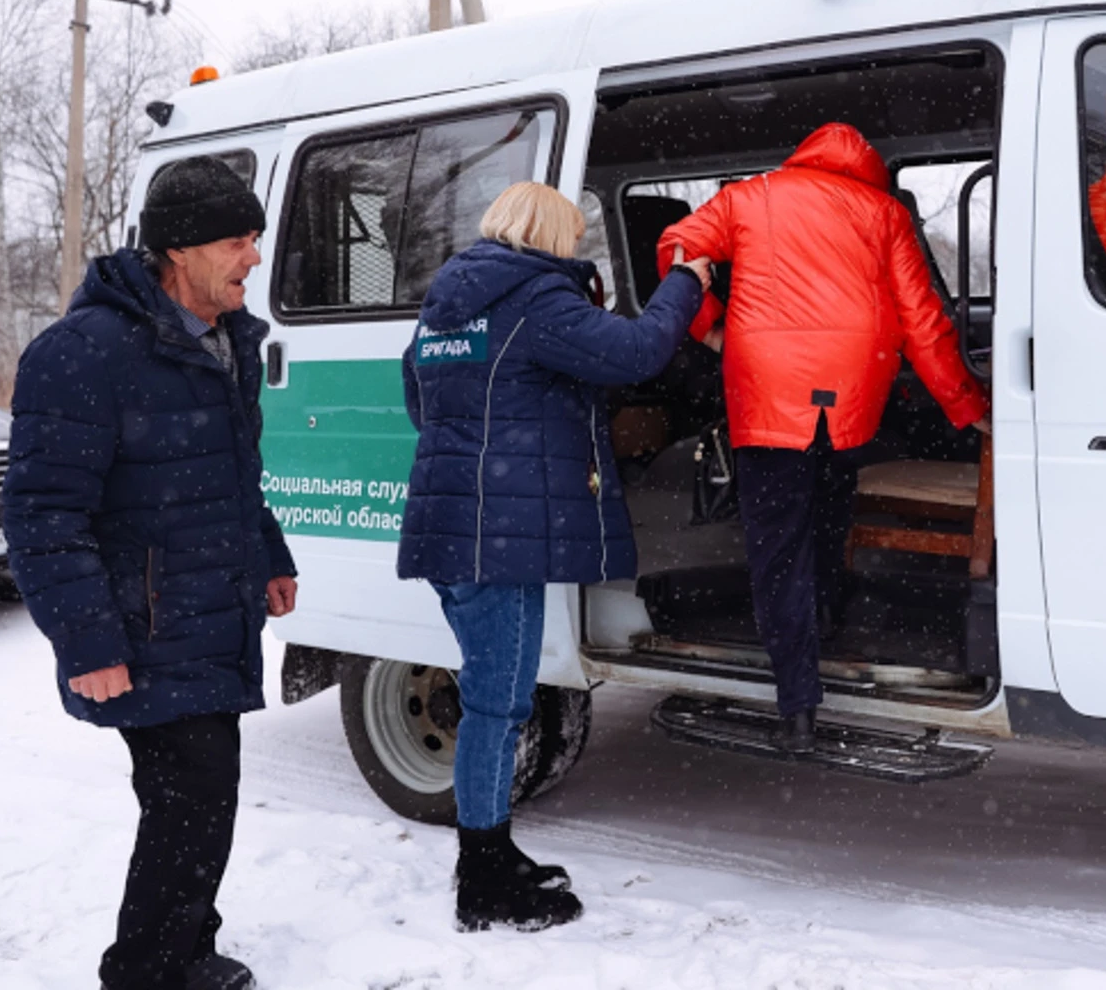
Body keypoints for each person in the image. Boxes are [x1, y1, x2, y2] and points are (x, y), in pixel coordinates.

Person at [3, 156, 297, 990]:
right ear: (179, 250)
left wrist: (268, 556)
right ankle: (149, 968)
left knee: (201, 795)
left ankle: (184, 942)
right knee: (190, 797)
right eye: (237, 241)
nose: (253, 257)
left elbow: (236, 473)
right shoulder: (82, 354)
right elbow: (42, 514)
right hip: (146, 620)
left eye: (254, 238)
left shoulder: (225, 339)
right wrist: (87, 642)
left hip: (213, 607)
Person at [396, 182, 710, 932]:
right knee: (497, 706)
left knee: (495, 697)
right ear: (550, 235)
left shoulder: (445, 307)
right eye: (573, 236)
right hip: (495, 538)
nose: (576, 250)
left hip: (458, 527)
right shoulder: (535, 298)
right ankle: (483, 879)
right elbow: (637, 351)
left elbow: (422, 402)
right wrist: (684, 282)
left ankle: (493, 853)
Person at [656, 122, 989, 753]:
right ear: (866, 165)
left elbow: (677, 248)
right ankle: (827, 617)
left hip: (766, 391)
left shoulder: (749, 197)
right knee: (829, 512)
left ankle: (797, 705)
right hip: (850, 395)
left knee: (777, 545)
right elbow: (922, 319)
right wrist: (965, 404)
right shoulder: (884, 212)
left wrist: (708, 328)